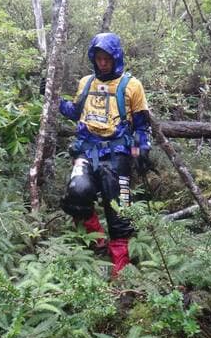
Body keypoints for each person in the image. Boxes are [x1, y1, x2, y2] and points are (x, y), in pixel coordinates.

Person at [59, 32, 152, 277]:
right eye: (98, 58)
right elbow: (74, 111)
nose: (102, 63)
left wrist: (141, 150)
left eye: (107, 58)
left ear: (116, 57)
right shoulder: (86, 83)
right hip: (87, 149)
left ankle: (119, 268)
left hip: (118, 153)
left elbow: (142, 125)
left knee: (119, 210)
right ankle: (96, 240)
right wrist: (54, 100)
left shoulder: (132, 85)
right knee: (76, 193)